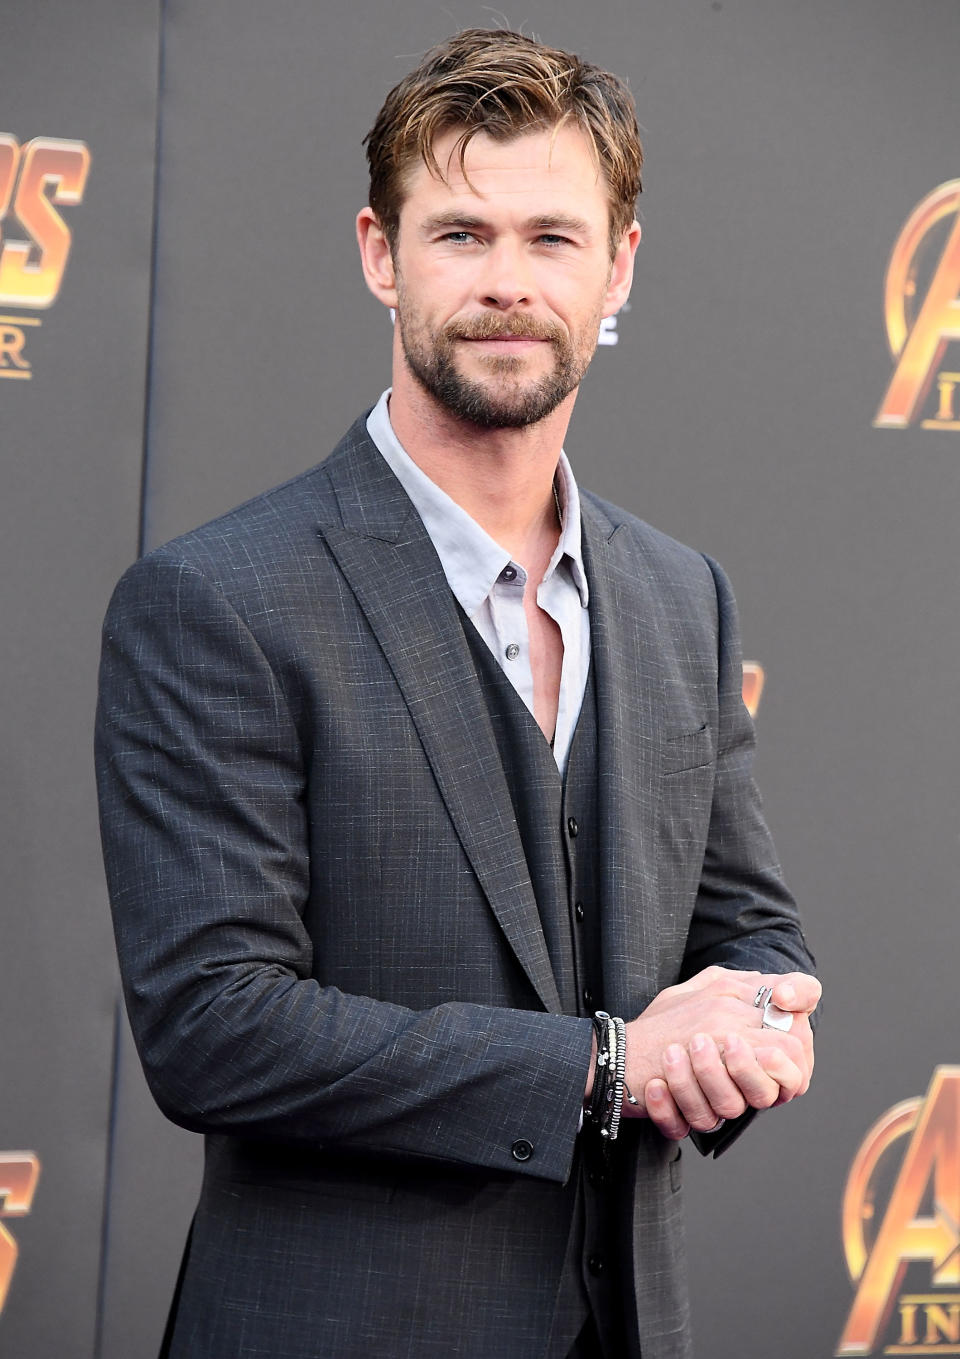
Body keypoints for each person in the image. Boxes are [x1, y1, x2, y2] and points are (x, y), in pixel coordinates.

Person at [95, 28, 820, 1359]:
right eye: (459, 236)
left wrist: (757, 1025)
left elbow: (753, 931)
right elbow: (214, 1028)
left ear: (619, 268)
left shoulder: (679, 596)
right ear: (380, 254)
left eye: (552, 238)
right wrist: (606, 1066)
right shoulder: (218, 600)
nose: (507, 285)